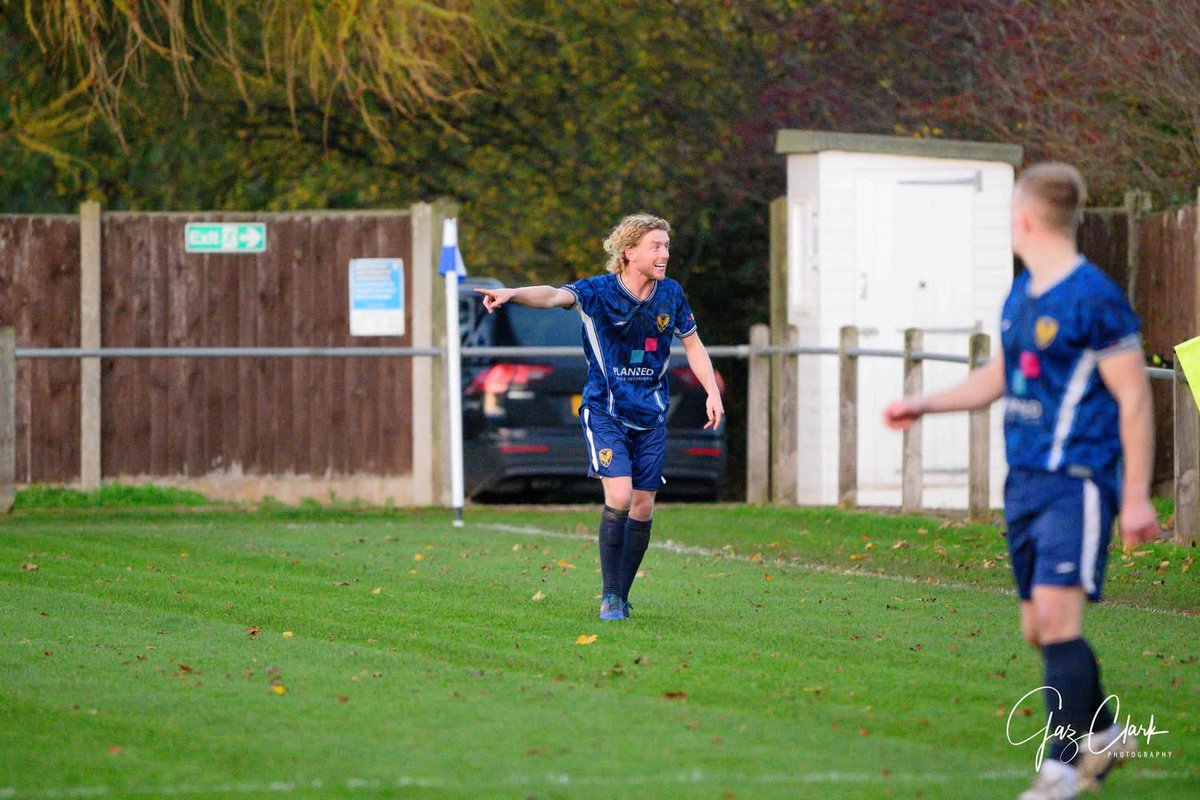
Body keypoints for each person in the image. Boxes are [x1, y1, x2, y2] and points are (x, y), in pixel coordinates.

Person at [882, 163, 1157, 799]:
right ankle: (1109, 731)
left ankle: (1061, 771)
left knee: (1060, 625)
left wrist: (1136, 495)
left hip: (1077, 481)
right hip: (1025, 484)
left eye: (1009, 212)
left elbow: (1135, 398)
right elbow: (998, 378)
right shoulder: (1022, 292)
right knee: (1038, 629)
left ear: (1026, 219)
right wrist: (922, 403)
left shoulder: (1094, 297)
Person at [475, 214, 724, 620]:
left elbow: (693, 345)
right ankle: (609, 596)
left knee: (643, 506)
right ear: (629, 252)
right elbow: (553, 296)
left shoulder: (671, 294)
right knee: (621, 496)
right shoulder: (598, 292)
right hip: (606, 412)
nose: (665, 253)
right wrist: (514, 293)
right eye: (656, 247)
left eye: (666, 246)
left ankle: (622, 596)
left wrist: (712, 390)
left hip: (651, 415)